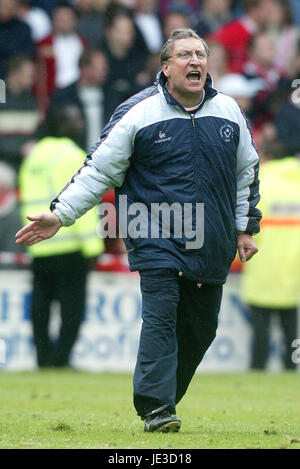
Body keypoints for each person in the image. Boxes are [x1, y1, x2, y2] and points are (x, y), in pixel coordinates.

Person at [16, 28, 261, 431]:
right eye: (184, 55)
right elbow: (97, 171)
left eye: (200, 54)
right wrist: (60, 214)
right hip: (155, 237)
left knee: (201, 330)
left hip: (212, 243)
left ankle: (163, 398)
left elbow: (246, 173)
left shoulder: (230, 112)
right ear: (166, 68)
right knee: (162, 319)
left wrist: (244, 228)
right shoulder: (138, 112)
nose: (194, 61)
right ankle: (156, 408)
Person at [18, 104, 104, 368]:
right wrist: (92, 247)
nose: (81, 123)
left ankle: (43, 360)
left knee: (40, 310)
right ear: (61, 124)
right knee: (71, 312)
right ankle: (61, 360)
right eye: (74, 118)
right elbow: (82, 205)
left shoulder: (35, 155)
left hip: (39, 246)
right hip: (70, 248)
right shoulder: (72, 154)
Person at [241, 155, 300, 369]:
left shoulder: (261, 185)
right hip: (293, 277)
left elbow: (244, 224)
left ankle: (257, 370)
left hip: (261, 275)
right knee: (292, 335)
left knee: (260, 336)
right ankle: (292, 370)